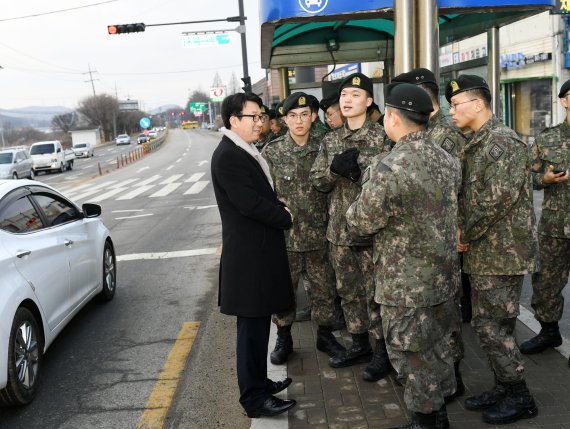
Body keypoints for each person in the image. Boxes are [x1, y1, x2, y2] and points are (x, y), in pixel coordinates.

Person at [346, 82, 459, 429]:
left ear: (393, 117)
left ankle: (426, 422)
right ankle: (438, 416)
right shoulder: (447, 158)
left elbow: (360, 222)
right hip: (443, 278)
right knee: (438, 351)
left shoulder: (390, 167)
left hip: (405, 285)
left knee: (412, 358)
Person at [446, 75, 539, 425]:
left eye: (456, 105)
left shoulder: (502, 142)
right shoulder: (478, 142)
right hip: (486, 251)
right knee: (488, 326)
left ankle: (520, 395)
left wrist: (464, 234)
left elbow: (493, 201)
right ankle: (504, 385)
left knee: (493, 328)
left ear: (479, 105)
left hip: (502, 252)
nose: (451, 111)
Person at [210, 92, 296, 418]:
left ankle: (260, 383)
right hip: (248, 261)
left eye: (261, 116)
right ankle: (254, 400)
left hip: (256, 257)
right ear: (234, 120)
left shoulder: (242, 150)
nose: (260, 122)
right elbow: (249, 204)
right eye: (253, 117)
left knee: (259, 330)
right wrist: (283, 216)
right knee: (250, 335)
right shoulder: (229, 155)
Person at [310, 72, 393, 381]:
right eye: (344, 95)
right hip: (341, 232)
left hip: (371, 232)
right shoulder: (330, 140)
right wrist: (333, 171)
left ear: (369, 101)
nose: (347, 100)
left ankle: (382, 350)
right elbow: (317, 182)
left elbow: (392, 183)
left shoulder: (383, 136)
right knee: (349, 291)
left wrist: (362, 177)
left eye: (355, 95)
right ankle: (359, 344)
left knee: (376, 293)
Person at [392, 67, 467, 401]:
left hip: (436, 246)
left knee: (441, 325)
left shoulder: (443, 136)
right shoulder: (424, 134)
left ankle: (448, 381)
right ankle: (440, 383)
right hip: (433, 246)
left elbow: (459, 190)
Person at [262, 92, 346, 365]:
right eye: (292, 116)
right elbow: (264, 195)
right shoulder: (272, 153)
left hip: (320, 235)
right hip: (286, 239)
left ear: (312, 116)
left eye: (304, 115)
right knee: (284, 291)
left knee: (324, 291)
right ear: (284, 120)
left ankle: (325, 335)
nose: (299, 121)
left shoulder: (326, 147)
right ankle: (284, 337)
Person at [520, 78, 570, 363]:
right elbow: (525, 176)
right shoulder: (547, 138)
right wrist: (545, 179)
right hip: (554, 227)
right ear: (563, 101)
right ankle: (549, 331)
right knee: (545, 283)